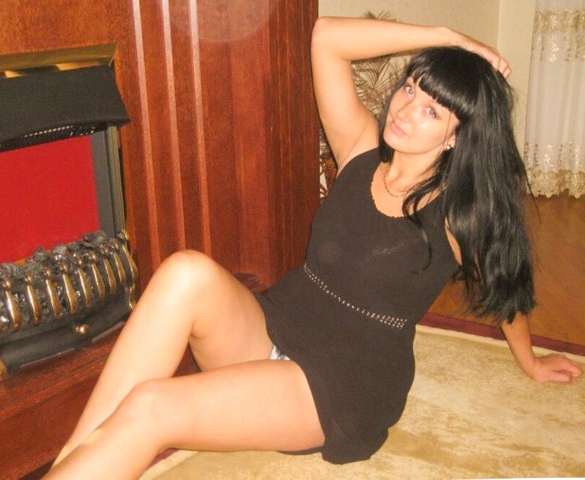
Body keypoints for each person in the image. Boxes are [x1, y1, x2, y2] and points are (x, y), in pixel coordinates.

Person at [44, 16, 582, 479]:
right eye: (411, 89)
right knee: (185, 271)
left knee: (152, 406)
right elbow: (325, 37)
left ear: (456, 137)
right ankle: (71, 461)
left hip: (341, 385)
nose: (405, 109)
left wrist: (530, 361)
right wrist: (447, 37)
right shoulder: (360, 150)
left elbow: (508, 288)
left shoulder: (458, 215)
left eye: (432, 112)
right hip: (277, 325)